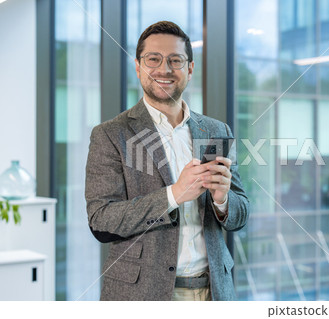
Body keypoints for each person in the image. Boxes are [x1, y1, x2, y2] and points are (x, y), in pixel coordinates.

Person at [85, 21, 249, 301]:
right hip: (142, 294)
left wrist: (222, 200)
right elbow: (101, 220)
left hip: (215, 293)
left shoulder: (217, 131)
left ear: (190, 69)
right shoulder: (110, 135)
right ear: (138, 67)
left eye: (176, 60)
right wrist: (173, 195)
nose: (164, 69)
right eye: (153, 59)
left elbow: (241, 212)